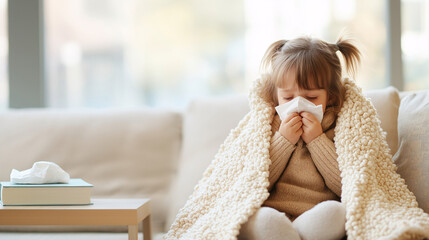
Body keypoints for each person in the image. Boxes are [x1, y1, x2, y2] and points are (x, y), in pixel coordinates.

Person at [238, 35, 361, 240]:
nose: (297, 104)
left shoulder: (339, 125)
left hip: (314, 217)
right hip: (273, 214)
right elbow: (252, 182)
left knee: (336, 212)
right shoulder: (269, 125)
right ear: (276, 94)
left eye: (311, 97)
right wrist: (283, 141)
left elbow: (349, 185)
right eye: (287, 97)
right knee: (263, 220)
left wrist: (317, 140)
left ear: (329, 96)